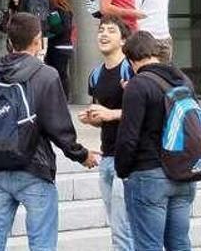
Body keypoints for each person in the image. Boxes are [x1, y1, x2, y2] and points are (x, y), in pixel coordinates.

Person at [0, 12, 100, 251]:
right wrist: (82, 155)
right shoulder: (45, 75)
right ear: (38, 39)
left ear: (9, 41)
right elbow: (59, 130)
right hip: (34, 168)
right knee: (41, 243)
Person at [113, 31, 197, 251]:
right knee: (179, 244)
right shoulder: (183, 80)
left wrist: (122, 170)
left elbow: (128, 137)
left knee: (148, 245)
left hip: (149, 174)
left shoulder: (138, 85)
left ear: (131, 60)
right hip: (183, 173)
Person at [79, 16, 135, 251]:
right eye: (101, 30)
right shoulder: (95, 75)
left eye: (111, 31)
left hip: (129, 159)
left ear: (123, 40)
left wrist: (110, 114)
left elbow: (142, 113)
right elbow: (106, 118)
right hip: (107, 157)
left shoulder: (130, 70)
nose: (103, 35)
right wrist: (94, 120)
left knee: (123, 230)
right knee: (117, 225)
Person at [44, 0, 75, 97]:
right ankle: (65, 96)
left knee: (56, 74)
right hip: (67, 46)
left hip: (56, 47)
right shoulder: (68, 11)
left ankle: (60, 97)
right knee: (63, 74)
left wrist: (48, 33)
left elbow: (57, 29)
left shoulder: (55, 12)